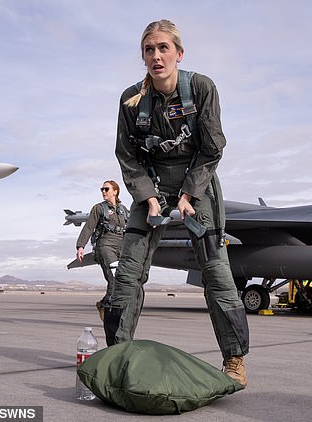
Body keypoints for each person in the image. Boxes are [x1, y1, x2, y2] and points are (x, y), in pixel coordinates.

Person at [103, 19, 249, 386]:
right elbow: (127, 155)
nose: (156, 55)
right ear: (143, 56)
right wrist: (148, 197)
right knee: (128, 274)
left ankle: (234, 360)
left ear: (178, 53)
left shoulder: (201, 88)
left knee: (216, 273)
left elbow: (212, 147)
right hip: (149, 186)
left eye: (163, 47)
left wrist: (188, 194)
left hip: (197, 185)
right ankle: (115, 355)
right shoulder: (131, 99)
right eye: (148, 49)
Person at [75, 180, 128, 321]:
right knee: (114, 277)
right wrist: (81, 246)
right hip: (105, 245)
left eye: (106, 189)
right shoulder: (99, 208)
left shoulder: (123, 210)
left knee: (121, 280)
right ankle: (111, 313)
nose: (103, 192)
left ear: (115, 191)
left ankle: (105, 305)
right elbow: (88, 227)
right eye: (102, 189)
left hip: (121, 246)